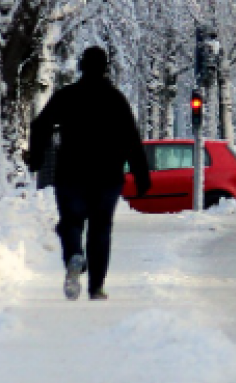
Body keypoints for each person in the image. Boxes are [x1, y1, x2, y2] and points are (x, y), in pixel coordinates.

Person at [28, 46, 151, 301]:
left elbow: (41, 125)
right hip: (107, 177)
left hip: (71, 174)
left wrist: (36, 158)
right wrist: (141, 175)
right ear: (105, 68)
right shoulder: (116, 99)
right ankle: (96, 287)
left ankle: (74, 254)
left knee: (71, 222)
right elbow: (131, 138)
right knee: (101, 228)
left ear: (82, 67)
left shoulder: (67, 96)